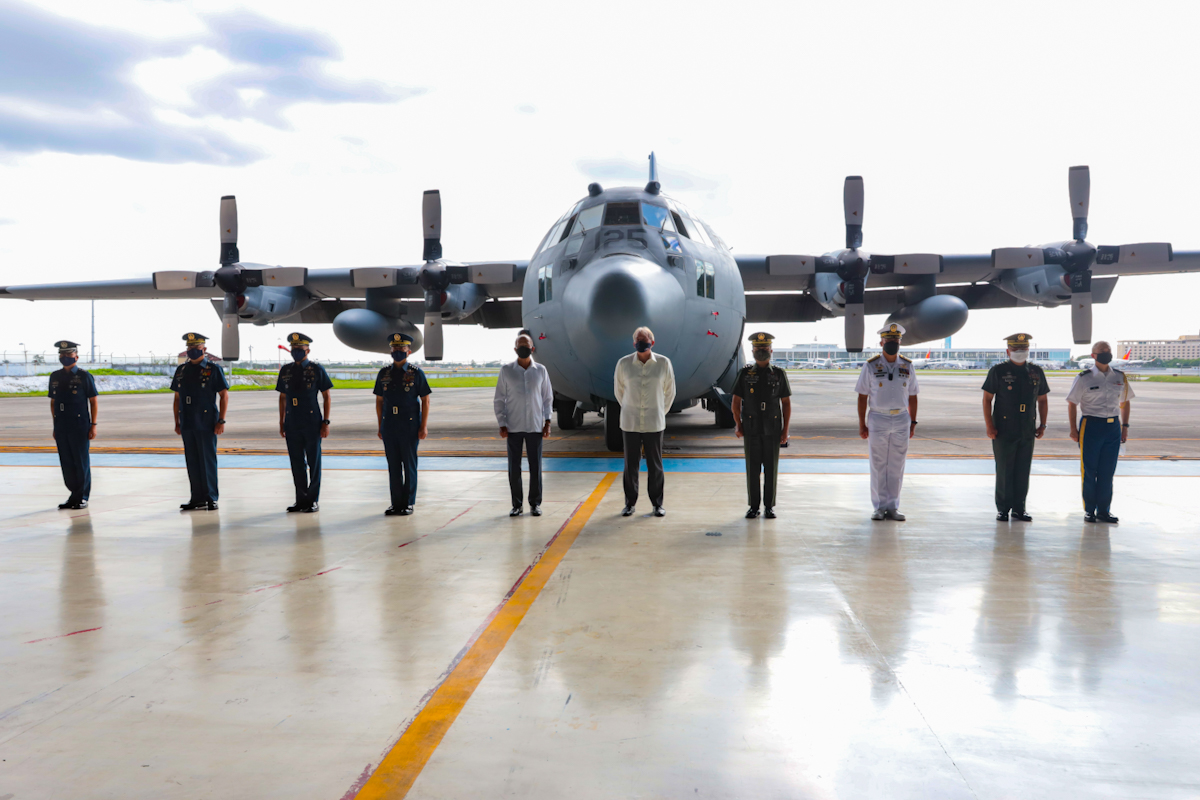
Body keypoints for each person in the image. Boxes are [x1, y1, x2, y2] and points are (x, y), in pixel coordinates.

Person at [982, 333, 1050, 521]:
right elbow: (987, 399)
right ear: (1008, 351)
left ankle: (1020, 508)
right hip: (1004, 427)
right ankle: (1003, 508)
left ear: (1028, 350)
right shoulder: (998, 371)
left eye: (1023, 349)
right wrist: (990, 425)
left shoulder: (1036, 372)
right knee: (1004, 468)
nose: (1019, 352)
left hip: (1027, 426)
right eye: (1015, 349)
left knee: (1023, 469)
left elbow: (1043, 400)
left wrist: (1042, 424)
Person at [855, 323, 919, 521]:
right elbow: (862, 396)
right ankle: (879, 507)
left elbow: (913, 396)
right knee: (878, 464)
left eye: (895, 340)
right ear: (881, 342)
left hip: (901, 418)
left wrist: (913, 422)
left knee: (897, 464)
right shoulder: (871, 365)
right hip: (878, 418)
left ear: (900, 342)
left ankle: (892, 507)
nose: (892, 343)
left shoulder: (907, 365)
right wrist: (862, 424)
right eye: (888, 340)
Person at [1066, 341, 1134, 523]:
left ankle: (1104, 510)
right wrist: (1073, 429)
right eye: (1102, 351)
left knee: (1107, 471)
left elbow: (1125, 402)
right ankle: (1090, 510)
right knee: (1089, 470)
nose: (1106, 353)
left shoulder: (1119, 377)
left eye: (1108, 351)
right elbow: (1072, 403)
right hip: (1091, 425)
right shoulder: (1084, 378)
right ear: (1093, 355)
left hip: (1113, 427)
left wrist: (1125, 426)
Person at [613, 326, 676, 517]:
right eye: (638, 340)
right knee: (630, 464)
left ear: (652, 342)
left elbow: (670, 392)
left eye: (645, 339)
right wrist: (630, 408)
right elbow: (619, 392)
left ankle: (657, 504)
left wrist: (659, 411)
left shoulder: (664, 363)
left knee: (655, 464)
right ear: (634, 343)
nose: (641, 343)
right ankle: (630, 503)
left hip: (654, 422)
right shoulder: (623, 364)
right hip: (630, 422)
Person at [732, 332, 792, 519]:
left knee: (771, 469)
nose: (761, 351)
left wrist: (785, 430)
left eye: (765, 348)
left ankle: (769, 506)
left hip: (773, 429)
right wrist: (738, 425)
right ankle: (754, 506)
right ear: (752, 351)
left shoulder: (779, 374)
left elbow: (786, 404)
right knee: (752, 469)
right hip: (751, 428)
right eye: (758, 349)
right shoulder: (744, 373)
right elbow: (736, 402)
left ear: (771, 350)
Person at [494, 332, 554, 517]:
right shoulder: (506, 371)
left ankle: (535, 504)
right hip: (513, 426)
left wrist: (548, 421)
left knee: (536, 467)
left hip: (536, 426)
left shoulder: (541, 371)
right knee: (514, 467)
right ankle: (517, 505)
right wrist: (502, 422)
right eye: (520, 345)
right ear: (514, 349)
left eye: (526, 345)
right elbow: (499, 399)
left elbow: (547, 398)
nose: (523, 348)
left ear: (532, 348)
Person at [171, 333, 229, 511]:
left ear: (204, 349)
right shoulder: (181, 370)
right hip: (187, 420)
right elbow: (176, 398)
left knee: (207, 460)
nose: (192, 351)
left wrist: (221, 420)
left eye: (196, 348)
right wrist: (177, 422)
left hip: (206, 421)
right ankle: (197, 498)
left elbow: (224, 396)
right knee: (193, 460)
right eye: (190, 349)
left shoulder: (213, 369)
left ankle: (211, 497)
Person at [374, 333, 431, 516]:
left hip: (409, 424)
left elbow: (425, 400)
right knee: (393, 465)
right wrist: (380, 425)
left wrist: (423, 426)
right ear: (390, 350)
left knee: (409, 464)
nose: (398, 351)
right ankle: (396, 503)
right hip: (390, 424)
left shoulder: (416, 373)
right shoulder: (384, 373)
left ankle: (408, 502)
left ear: (409, 351)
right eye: (395, 348)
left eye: (401, 348)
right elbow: (379, 401)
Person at [277, 332, 333, 513]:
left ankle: (312, 500)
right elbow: (282, 397)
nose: (296, 352)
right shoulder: (286, 370)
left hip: (311, 421)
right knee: (296, 462)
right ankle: (300, 499)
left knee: (313, 462)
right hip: (292, 421)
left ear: (307, 350)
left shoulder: (316, 369)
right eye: (293, 349)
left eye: (300, 349)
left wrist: (326, 422)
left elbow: (326, 396)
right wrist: (281, 421)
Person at [47, 340, 98, 510]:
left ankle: (82, 496)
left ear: (76, 355)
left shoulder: (84, 376)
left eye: (69, 354)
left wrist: (93, 425)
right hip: (62, 425)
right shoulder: (55, 376)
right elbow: (53, 402)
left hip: (79, 424)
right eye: (62, 354)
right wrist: (55, 425)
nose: (65, 357)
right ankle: (73, 495)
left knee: (81, 461)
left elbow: (93, 401)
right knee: (67, 461)